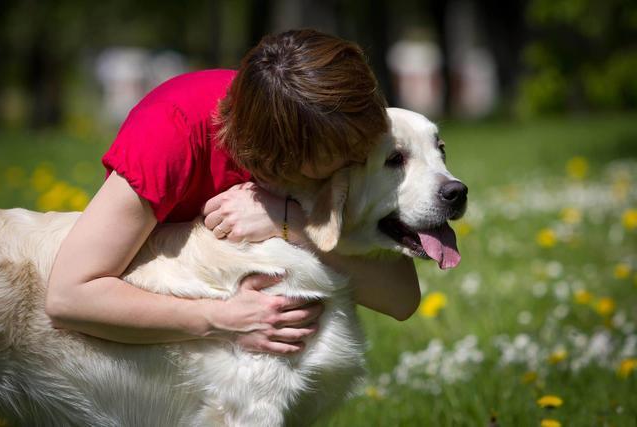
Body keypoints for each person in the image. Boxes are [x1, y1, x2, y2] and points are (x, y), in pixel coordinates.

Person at [46, 29, 420, 355]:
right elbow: (69, 295)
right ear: (284, 160)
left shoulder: (334, 126)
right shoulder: (169, 132)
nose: (357, 161)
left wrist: (286, 221)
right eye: (343, 155)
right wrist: (219, 319)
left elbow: (401, 298)